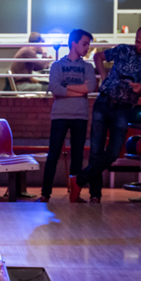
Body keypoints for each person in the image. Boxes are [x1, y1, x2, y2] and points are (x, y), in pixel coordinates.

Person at [70, 26, 141, 203]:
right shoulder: (122, 49)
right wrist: (104, 75)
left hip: (124, 107)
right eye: (137, 41)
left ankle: (78, 180)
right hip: (104, 101)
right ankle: (95, 196)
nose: (140, 46)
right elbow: (98, 56)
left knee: (113, 152)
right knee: (95, 151)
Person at [39, 29, 96, 203]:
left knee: (77, 156)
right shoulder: (57, 65)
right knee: (53, 154)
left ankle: (75, 194)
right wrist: (79, 90)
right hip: (60, 115)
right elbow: (55, 89)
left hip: (80, 115)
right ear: (74, 43)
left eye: (88, 44)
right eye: (85, 44)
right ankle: (45, 194)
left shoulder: (88, 67)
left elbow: (90, 88)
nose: (87, 48)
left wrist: (67, 88)